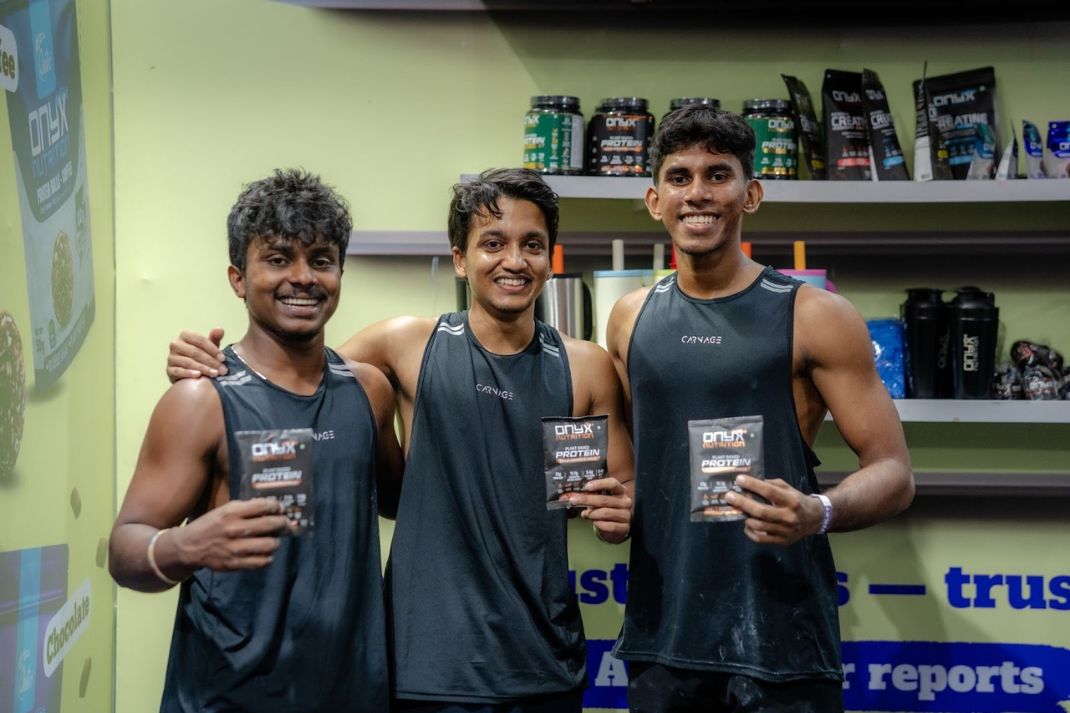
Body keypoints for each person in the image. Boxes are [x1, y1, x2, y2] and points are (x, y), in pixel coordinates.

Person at [166, 168, 635, 713]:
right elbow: (290, 377)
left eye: (531, 245)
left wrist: (619, 514)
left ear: (549, 258)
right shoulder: (405, 344)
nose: (513, 260)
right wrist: (204, 366)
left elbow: (623, 491)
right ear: (460, 259)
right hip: (423, 667)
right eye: (492, 244)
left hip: (546, 661)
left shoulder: (586, 366)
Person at [605, 106, 915, 712]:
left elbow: (894, 473)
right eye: (680, 177)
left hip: (782, 643)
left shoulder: (816, 315)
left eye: (718, 175)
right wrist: (614, 507)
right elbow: (638, 470)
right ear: (654, 200)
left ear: (751, 194)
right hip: (663, 637)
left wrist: (818, 511)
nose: (698, 193)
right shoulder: (629, 317)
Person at [110, 169, 403, 713]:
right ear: (238, 278)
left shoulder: (369, 391)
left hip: (353, 695)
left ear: (340, 272)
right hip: (228, 697)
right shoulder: (200, 400)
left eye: (321, 260)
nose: (303, 277)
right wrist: (187, 546)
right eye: (278, 258)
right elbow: (124, 551)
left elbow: (396, 500)